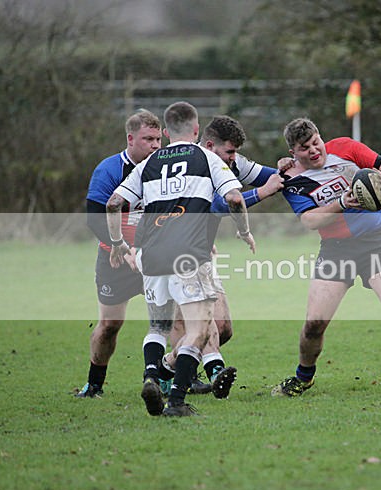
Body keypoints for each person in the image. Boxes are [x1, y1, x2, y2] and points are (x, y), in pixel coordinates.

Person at [271, 117, 381, 397]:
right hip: (335, 250)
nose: (314, 150)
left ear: (321, 136)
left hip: (375, 242)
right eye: (305, 148)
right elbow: (308, 221)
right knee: (314, 324)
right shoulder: (291, 178)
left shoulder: (346, 147)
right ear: (293, 152)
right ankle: (303, 377)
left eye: (316, 142)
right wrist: (341, 203)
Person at [107, 101, 255, 417]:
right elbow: (234, 197)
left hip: (150, 253)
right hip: (189, 253)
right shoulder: (206, 156)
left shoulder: (148, 163)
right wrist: (243, 231)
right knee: (199, 330)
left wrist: (118, 243)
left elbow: (113, 203)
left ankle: (152, 375)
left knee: (159, 325)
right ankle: (175, 401)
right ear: (197, 130)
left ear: (165, 131)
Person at [158, 115, 284, 391]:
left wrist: (288, 167)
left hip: (201, 251)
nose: (234, 158)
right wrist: (262, 193)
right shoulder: (197, 164)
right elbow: (218, 205)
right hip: (175, 252)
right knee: (194, 322)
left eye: (235, 152)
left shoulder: (229, 161)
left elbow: (269, 175)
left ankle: (167, 367)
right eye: (230, 151)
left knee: (222, 326)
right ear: (211, 145)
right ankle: (199, 376)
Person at [75, 109, 162, 398]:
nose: (155, 145)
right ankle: (94, 385)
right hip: (115, 258)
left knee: (173, 321)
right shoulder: (110, 169)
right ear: (130, 138)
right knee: (110, 325)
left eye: (158, 139)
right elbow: (94, 217)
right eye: (148, 139)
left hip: (154, 257)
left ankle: (167, 379)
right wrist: (117, 246)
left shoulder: (164, 168)